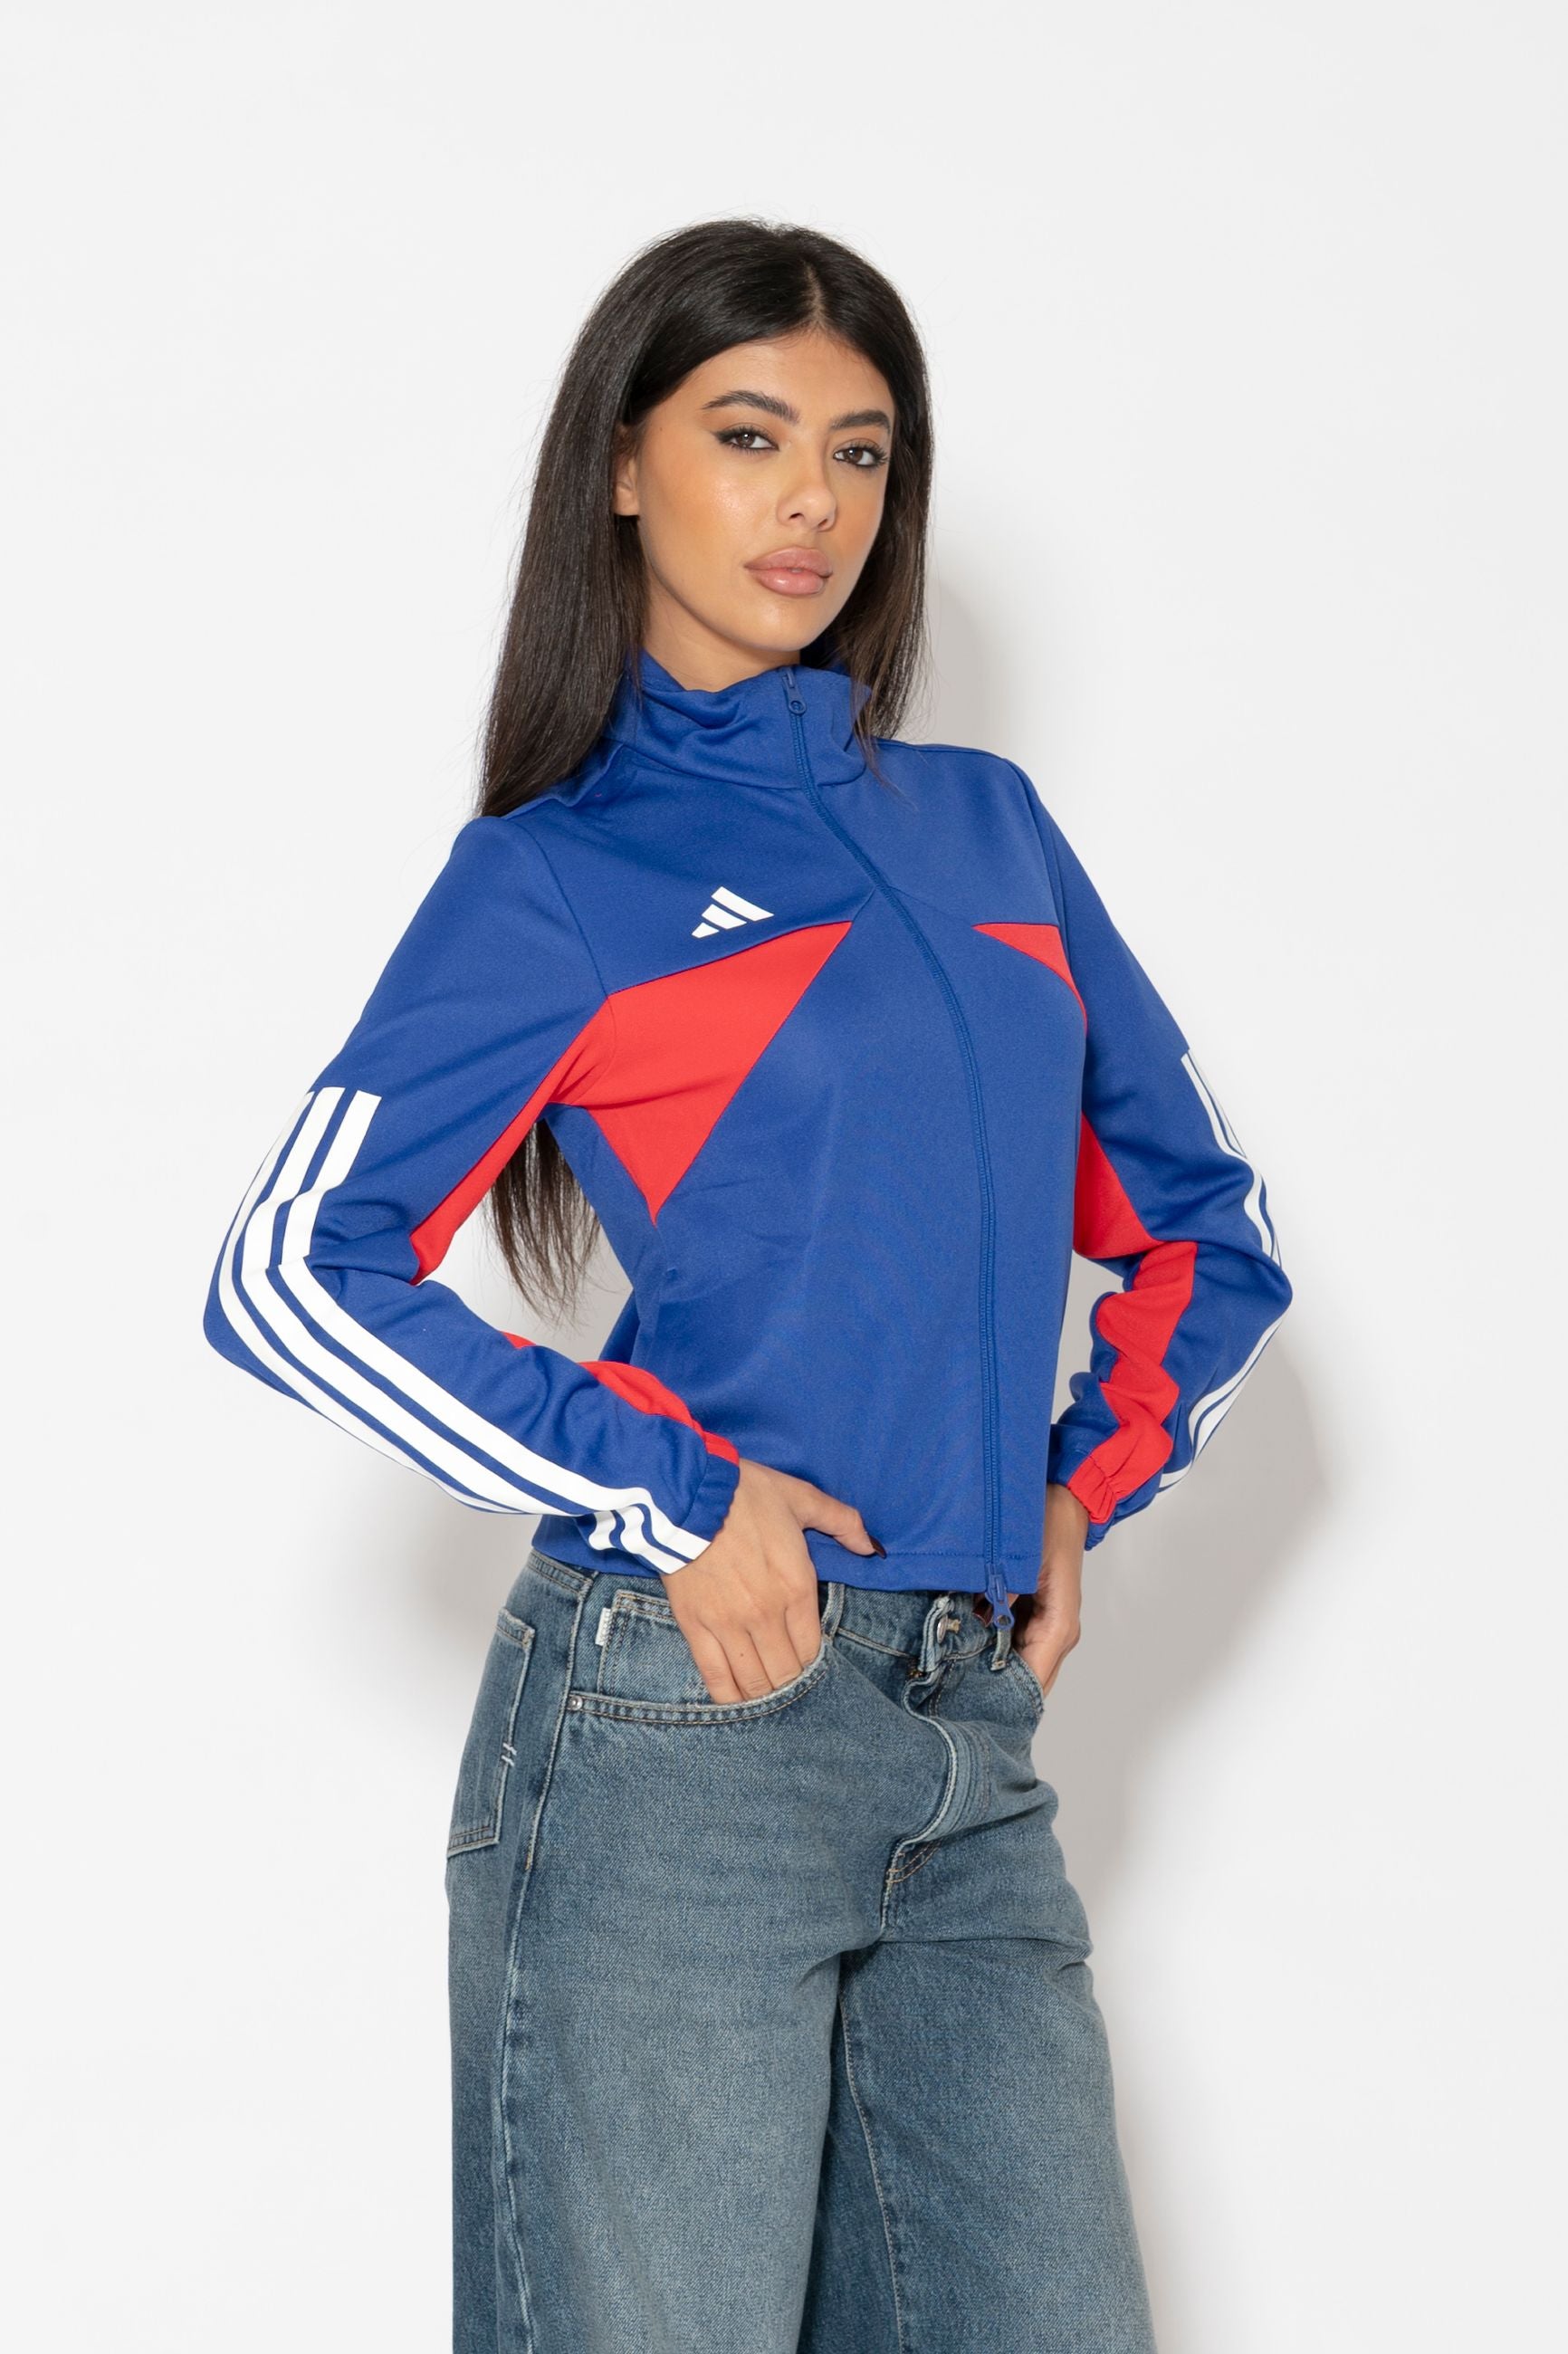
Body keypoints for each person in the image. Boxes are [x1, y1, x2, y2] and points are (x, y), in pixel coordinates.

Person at [203, 217, 1292, 2354]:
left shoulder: (986, 833)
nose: (811, 501)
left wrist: (1073, 1482)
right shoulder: (560, 877)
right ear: (623, 467)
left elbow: (1205, 1231)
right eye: (748, 434)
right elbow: (287, 1271)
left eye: (859, 452)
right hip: (678, 1733)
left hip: (967, 1743)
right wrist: (674, 1495)